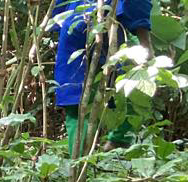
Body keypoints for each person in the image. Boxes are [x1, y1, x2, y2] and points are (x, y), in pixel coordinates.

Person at [51, 0, 152, 152]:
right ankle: (119, 140)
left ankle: (77, 164)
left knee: (76, 102)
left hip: (75, 19)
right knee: (133, 83)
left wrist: (57, 23)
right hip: (107, 22)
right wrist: (145, 42)